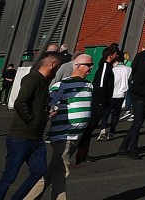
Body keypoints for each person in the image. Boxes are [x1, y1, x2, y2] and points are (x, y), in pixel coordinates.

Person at [0, 53, 61, 200]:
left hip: (36, 137)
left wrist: (46, 114)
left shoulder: (43, 81)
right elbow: (20, 102)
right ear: (53, 64)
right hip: (21, 136)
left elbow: (35, 106)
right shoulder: (33, 79)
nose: (58, 71)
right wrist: (32, 121)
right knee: (9, 176)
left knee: (39, 170)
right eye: (58, 66)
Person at [41, 54, 94, 200]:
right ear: (76, 66)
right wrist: (51, 111)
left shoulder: (89, 85)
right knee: (61, 172)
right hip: (63, 135)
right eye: (88, 65)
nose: (91, 68)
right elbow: (49, 107)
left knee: (52, 173)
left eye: (92, 65)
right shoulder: (61, 85)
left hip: (77, 135)